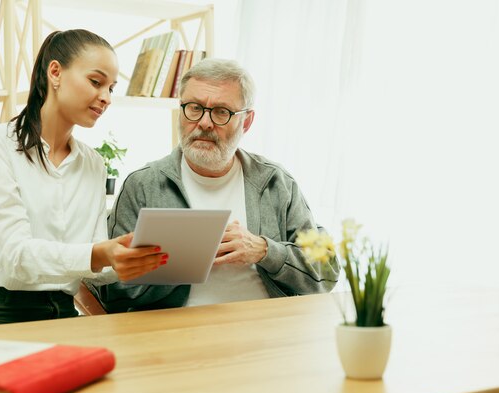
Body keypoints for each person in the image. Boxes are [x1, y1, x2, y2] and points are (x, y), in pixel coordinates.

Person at [0, 29, 167, 328]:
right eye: (96, 82)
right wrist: (99, 254)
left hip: (63, 315)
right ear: (55, 72)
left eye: (112, 88)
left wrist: (132, 260)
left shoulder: (92, 163)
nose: (105, 98)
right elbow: (16, 257)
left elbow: (92, 260)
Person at [90, 58, 340, 313]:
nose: (205, 123)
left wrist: (265, 251)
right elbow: (111, 293)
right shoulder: (143, 185)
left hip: (265, 330)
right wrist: (180, 261)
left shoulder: (277, 183)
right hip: (174, 336)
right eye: (194, 108)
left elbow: (327, 272)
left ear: (246, 122)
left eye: (222, 112)